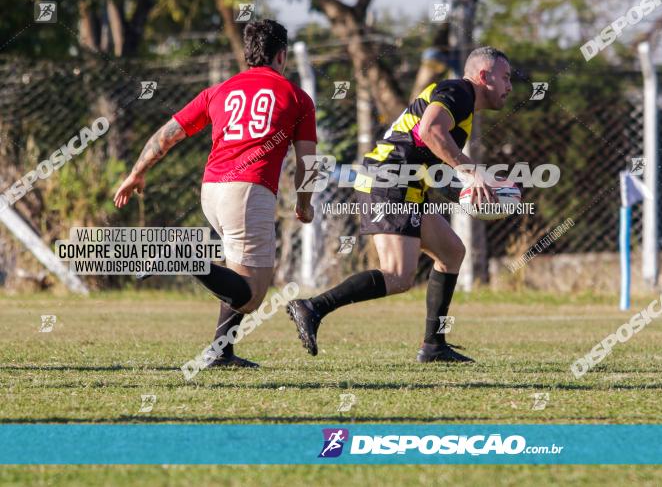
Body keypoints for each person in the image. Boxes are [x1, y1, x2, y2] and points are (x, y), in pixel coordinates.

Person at [288, 46, 512, 363]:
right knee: (397, 275)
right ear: (483, 76)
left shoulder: (461, 102)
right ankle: (312, 307)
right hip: (388, 181)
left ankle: (434, 346)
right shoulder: (459, 91)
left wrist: (466, 188)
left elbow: (429, 151)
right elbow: (430, 131)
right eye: (505, 78)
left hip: (406, 184)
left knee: (451, 252)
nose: (510, 87)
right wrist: (472, 173)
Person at [113, 19, 317, 367]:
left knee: (237, 275)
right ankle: (180, 254)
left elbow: (167, 135)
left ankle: (221, 352)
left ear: (247, 53)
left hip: (212, 191)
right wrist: (303, 203)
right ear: (282, 55)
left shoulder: (220, 90)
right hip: (249, 191)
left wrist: (136, 173)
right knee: (252, 297)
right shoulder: (297, 97)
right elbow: (308, 163)